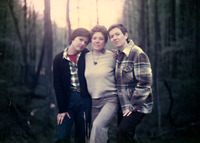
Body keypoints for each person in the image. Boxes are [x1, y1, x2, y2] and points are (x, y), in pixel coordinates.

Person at [108, 24, 153, 143]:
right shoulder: (120, 55)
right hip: (123, 104)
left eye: (117, 34)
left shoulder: (138, 54)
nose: (114, 38)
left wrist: (132, 106)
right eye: (111, 36)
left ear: (126, 35)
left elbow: (145, 82)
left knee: (123, 131)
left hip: (137, 104)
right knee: (123, 136)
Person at [53, 28, 91, 143]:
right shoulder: (59, 59)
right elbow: (57, 85)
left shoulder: (87, 55)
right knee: (62, 137)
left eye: (85, 42)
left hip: (85, 100)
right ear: (72, 39)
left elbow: (101, 56)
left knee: (82, 137)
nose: (83, 44)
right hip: (67, 101)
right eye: (80, 40)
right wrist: (62, 109)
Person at [84, 25, 118, 143]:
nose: (97, 41)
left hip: (110, 100)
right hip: (92, 102)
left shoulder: (114, 56)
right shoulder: (84, 57)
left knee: (98, 127)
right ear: (90, 40)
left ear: (105, 42)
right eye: (94, 38)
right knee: (95, 133)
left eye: (101, 39)